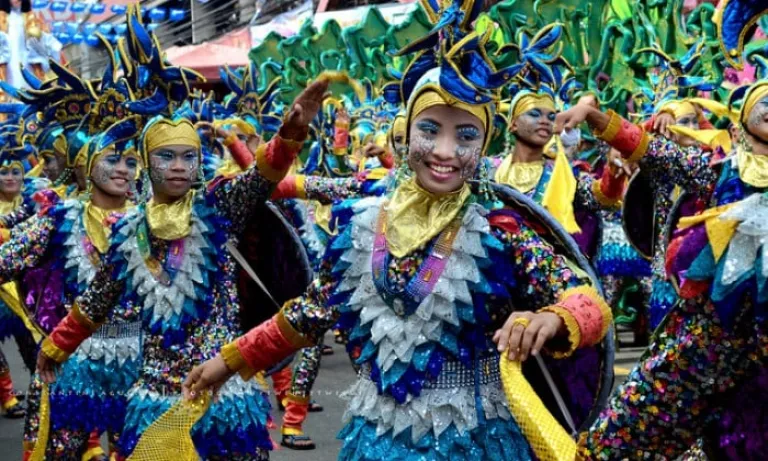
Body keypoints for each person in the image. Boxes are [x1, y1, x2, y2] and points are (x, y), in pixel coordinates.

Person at [183, 3, 612, 459]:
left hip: (476, 441)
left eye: (465, 136)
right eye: (431, 129)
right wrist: (226, 363)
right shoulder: (360, 230)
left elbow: (588, 302)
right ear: (406, 133)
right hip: (377, 439)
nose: (445, 151)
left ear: (484, 144)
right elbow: (307, 315)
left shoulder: (500, 230)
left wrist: (553, 318)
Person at [36, 80, 328, 460]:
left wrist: (290, 133)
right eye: (167, 156)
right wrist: (58, 344)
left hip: (223, 396)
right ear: (146, 161)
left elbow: (260, 179)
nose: (178, 167)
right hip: (157, 395)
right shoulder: (127, 232)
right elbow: (97, 299)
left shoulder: (219, 205)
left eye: (188, 157)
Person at [559, 77, 768, 459]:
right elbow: (649, 149)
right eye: (765, 99)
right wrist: (592, 115)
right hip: (707, 337)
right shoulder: (718, 168)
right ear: (742, 116)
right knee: (621, 436)